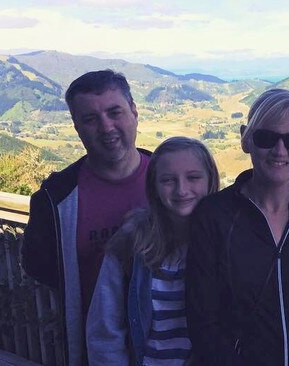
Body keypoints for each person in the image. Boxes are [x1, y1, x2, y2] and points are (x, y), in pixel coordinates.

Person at [186, 88, 289, 366]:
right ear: (246, 139)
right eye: (266, 138)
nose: (280, 151)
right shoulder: (214, 216)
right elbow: (202, 319)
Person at [21, 70, 151, 366]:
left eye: (114, 112)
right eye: (91, 119)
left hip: (170, 344)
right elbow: (37, 265)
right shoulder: (56, 198)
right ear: (77, 127)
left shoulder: (169, 179)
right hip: (96, 351)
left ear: (134, 112)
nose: (106, 127)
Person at [86, 137, 219, 366]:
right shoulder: (130, 244)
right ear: (154, 187)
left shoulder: (227, 242)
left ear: (210, 181)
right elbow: (105, 332)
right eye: (168, 180)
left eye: (193, 177)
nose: (182, 189)